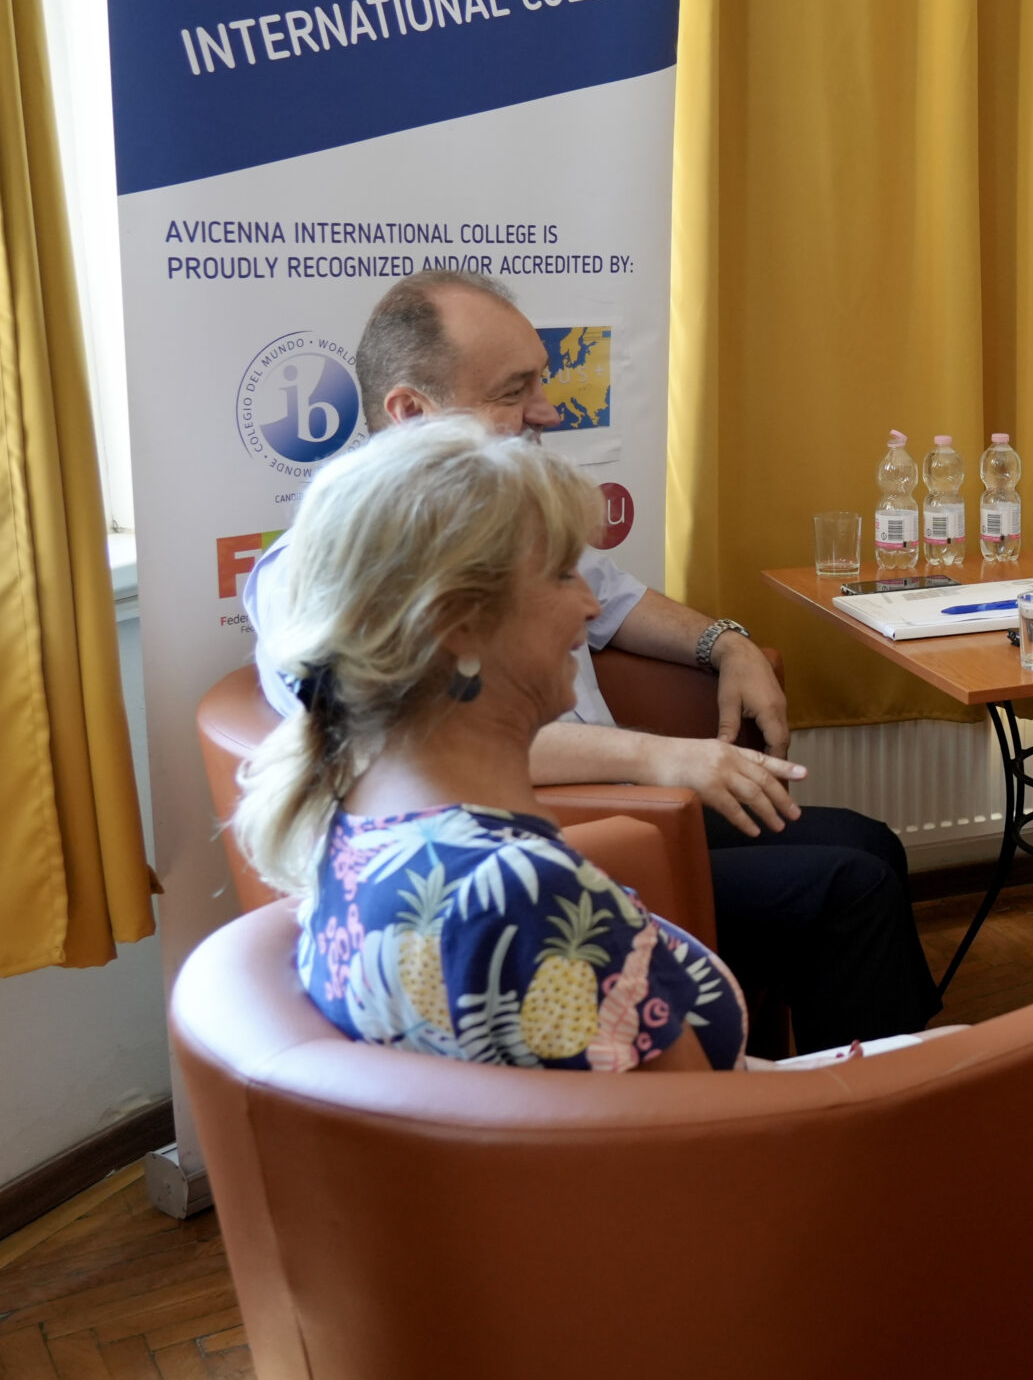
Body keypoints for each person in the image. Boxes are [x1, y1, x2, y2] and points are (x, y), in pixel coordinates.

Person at [245, 270, 940, 1052]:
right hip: (579, 828)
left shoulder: (503, 520)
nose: (547, 410)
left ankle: (872, 1067)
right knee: (853, 889)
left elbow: (614, 598)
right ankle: (883, 1093)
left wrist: (729, 641)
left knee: (869, 843)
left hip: (607, 822)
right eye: (515, 390)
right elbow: (401, 738)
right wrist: (657, 756)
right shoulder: (325, 573)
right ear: (411, 410)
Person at [235, 416, 748, 1070]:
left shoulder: (349, 828)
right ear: (459, 625)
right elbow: (693, 1128)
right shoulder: (523, 895)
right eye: (562, 575)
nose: (591, 605)